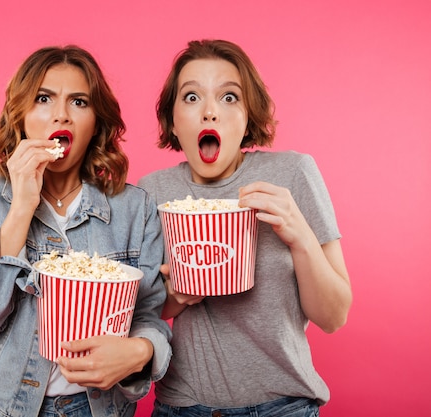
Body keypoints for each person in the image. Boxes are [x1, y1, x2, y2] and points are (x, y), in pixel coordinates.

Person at [0, 45, 171, 417]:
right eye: (44, 98)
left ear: (97, 122)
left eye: (79, 102)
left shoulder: (134, 208)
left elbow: (148, 315)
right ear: (21, 114)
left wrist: (141, 351)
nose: (61, 114)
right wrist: (21, 208)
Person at [137, 39, 352, 416]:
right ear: (173, 120)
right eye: (191, 98)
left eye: (229, 97)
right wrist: (179, 294)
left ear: (248, 117)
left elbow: (333, 317)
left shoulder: (292, 173)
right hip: (181, 407)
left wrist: (299, 233)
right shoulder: (152, 191)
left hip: (282, 407)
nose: (209, 113)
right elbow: (142, 314)